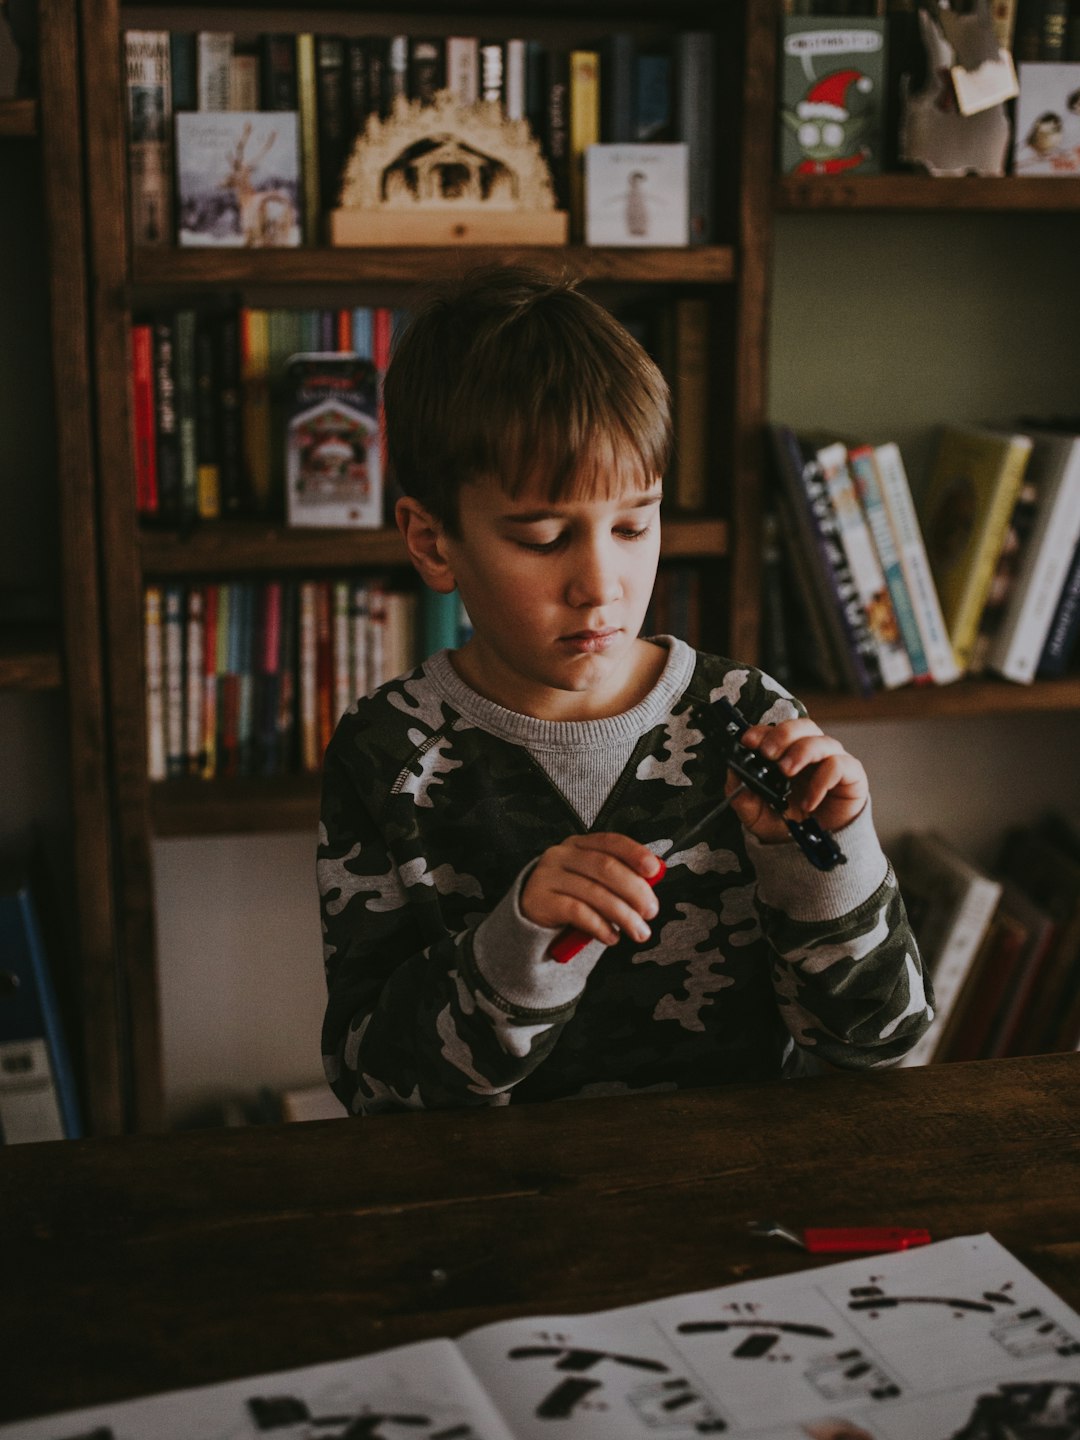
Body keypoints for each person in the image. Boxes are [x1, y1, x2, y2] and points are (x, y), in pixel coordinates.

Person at [318, 266, 932, 1115]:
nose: (600, 584)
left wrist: (829, 859)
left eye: (634, 524)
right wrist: (518, 941)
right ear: (432, 542)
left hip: (743, 1189)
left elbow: (883, 1046)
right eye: (542, 537)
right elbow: (374, 1091)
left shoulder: (745, 717)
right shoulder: (387, 754)